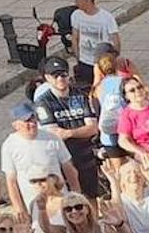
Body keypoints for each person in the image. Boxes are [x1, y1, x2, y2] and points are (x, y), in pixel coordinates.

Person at [0, 102, 80, 218]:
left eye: (33, 118)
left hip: (60, 200)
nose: (32, 123)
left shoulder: (52, 138)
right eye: (27, 121)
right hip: (33, 204)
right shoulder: (9, 145)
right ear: (16, 125)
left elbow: (69, 168)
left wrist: (76, 194)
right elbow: (11, 181)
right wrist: (19, 210)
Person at [35, 56, 100, 198]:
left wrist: (69, 133)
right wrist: (80, 131)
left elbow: (92, 128)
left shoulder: (80, 96)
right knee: (68, 199)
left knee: (91, 196)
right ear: (47, 78)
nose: (60, 79)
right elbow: (54, 133)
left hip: (85, 155)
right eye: (55, 75)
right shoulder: (43, 102)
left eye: (63, 74)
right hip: (62, 159)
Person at [67, 0, 121, 84]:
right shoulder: (76, 15)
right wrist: (78, 57)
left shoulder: (106, 18)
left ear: (87, 0)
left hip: (102, 62)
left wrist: (113, 58)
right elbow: (75, 37)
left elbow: (115, 39)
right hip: (84, 62)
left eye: (78, 0)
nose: (75, 3)